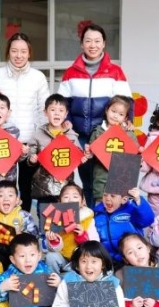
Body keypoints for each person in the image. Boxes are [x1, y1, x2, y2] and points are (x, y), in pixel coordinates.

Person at [58, 23, 133, 207]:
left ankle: (114, 219)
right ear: (82, 44)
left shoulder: (115, 72)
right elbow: (62, 103)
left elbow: (127, 102)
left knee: (116, 182)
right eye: (88, 41)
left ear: (104, 43)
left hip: (108, 135)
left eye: (97, 41)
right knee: (89, 183)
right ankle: (91, 219)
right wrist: (67, 124)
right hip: (81, 136)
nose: (93, 45)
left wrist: (127, 122)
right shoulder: (70, 73)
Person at [0, 32, 50, 212]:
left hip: (30, 140)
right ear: (8, 52)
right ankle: (3, 223)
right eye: (14, 51)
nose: (18, 55)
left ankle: (24, 221)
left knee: (27, 186)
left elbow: (44, 108)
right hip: (3, 140)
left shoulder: (38, 77)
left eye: (23, 51)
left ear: (29, 53)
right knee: (4, 187)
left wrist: (41, 137)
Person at [28, 93, 85, 217]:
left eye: (61, 110)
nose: (57, 113)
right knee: (45, 220)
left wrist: (83, 158)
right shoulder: (39, 134)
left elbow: (79, 155)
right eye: (53, 110)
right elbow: (30, 154)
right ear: (45, 112)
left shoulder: (71, 135)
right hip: (44, 187)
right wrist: (32, 159)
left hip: (65, 187)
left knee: (65, 220)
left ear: (66, 114)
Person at [0, 180, 38, 269]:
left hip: (17, 251)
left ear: (17, 200)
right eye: (1, 196)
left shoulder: (24, 215)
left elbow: (34, 235)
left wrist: (21, 235)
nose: (6, 199)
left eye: (10, 195)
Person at [87, 95, 138, 202]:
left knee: (121, 209)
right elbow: (90, 155)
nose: (115, 116)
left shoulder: (129, 134)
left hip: (121, 183)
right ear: (107, 110)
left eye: (121, 114)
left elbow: (135, 157)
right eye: (113, 111)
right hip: (101, 180)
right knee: (100, 207)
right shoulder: (97, 132)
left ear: (126, 118)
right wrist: (88, 153)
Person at [94, 187, 155, 270]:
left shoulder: (131, 210)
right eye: (105, 195)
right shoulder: (97, 215)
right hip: (107, 259)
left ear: (124, 199)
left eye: (113, 196)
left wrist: (138, 200)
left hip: (130, 259)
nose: (107, 198)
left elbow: (148, 220)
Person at [45, 182, 99, 274]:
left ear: (82, 202)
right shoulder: (54, 219)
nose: (70, 200)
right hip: (63, 258)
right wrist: (54, 241)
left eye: (75, 197)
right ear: (60, 202)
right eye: (66, 197)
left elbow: (95, 244)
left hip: (82, 260)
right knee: (50, 256)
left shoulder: (88, 219)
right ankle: (54, 279)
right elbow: (50, 248)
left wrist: (82, 236)